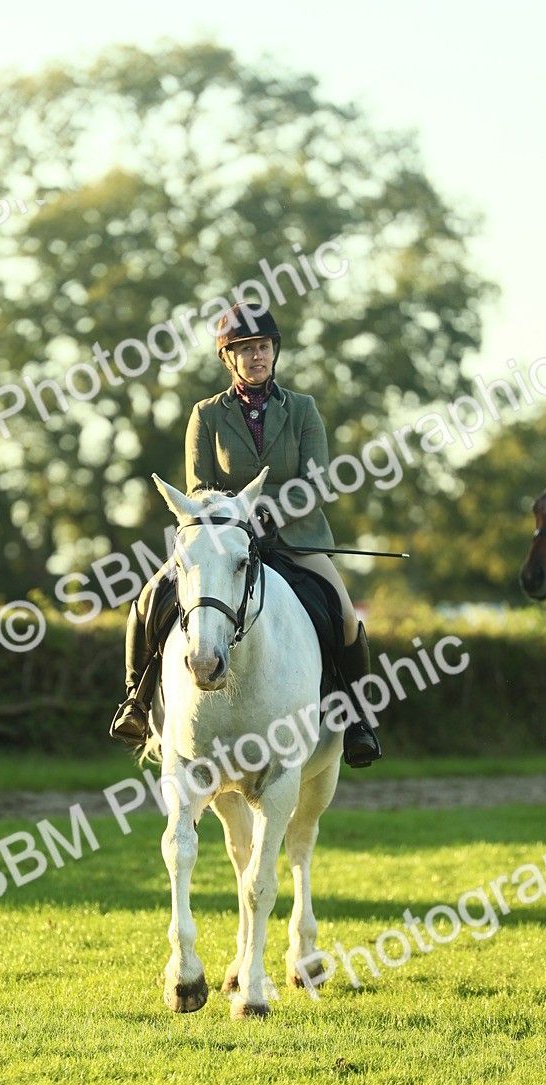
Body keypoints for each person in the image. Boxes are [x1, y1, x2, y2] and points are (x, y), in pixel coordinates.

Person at [109, 303, 382, 768]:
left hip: (295, 539)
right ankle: (136, 701)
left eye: (263, 347)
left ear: (274, 351)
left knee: (344, 618)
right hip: (222, 542)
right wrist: (237, 517)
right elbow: (197, 488)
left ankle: (358, 721)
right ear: (228, 358)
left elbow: (318, 483)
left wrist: (271, 513)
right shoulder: (206, 415)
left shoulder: (303, 410)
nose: (257, 356)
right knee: (148, 601)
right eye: (246, 350)